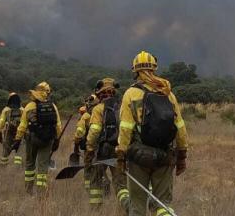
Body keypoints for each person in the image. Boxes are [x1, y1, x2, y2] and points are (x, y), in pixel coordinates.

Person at [117, 51, 189, 216]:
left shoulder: (131, 94)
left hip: (138, 157)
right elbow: (180, 128)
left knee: (137, 205)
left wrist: (121, 155)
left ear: (135, 71)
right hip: (165, 156)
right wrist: (182, 156)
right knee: (163, 205)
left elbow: (125, 128)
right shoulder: (168, 93)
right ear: (154, 69)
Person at [12, 81, 62, 195]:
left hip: (31, 138)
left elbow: (22, 126)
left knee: (30, 164)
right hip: (48, 140)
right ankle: (41, 193)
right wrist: (57, 140)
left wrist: (17, 139)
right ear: (48, 93)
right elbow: (58, 126)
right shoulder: (53, 106)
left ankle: (29, 190)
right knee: (43, 167)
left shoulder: (29, 106)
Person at [86, 78, 129, 210]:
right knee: (121, 183)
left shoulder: (98, 109)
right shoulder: (122, 108)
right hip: (119, 149)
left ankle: (96, 209)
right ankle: (127, 207)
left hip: (102, 151)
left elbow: (94, 131)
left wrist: (89, 148)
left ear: (99, 94)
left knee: (95, 180)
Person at [72, 93, 97, 190]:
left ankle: (88, 188)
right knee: (99, 165)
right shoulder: (103, 112)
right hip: (102, 146)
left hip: (89, 145)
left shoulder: (86, 116)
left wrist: (76, 146)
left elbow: (79, 132)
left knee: (88, 166)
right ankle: (103, 182)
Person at [0, 92, 24, 166]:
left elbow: (1, 121)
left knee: (6, 149)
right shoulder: (22, 109)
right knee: (19, 149)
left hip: (9, 131)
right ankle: (17, 166)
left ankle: (3, 164)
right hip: (20, 132)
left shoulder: (6, 109)